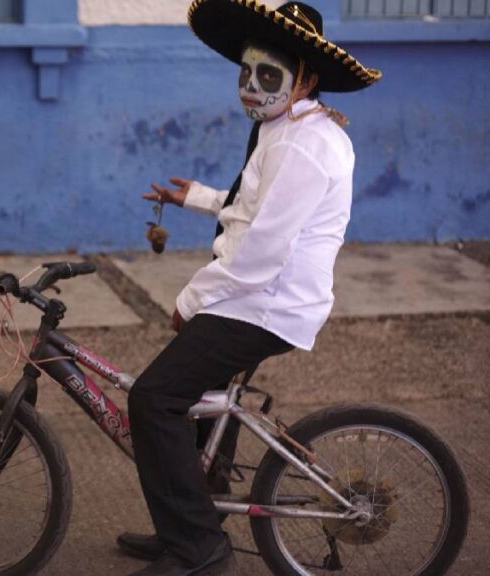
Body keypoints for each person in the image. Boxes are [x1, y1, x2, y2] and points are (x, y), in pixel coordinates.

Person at [121, 2, 381, 575]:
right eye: (246, 71)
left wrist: (192, 302)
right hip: (263, 297)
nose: (251, 85)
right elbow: (256, 208)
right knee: (201, 409)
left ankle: (198, 548)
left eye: (269, 75)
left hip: (265, 304)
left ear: (306, 79)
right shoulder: (287, 128)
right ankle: (192, 525)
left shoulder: (301, 143)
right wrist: (196, 198)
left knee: (154, 400)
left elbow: (263, 248)